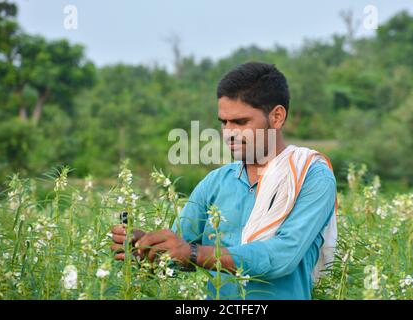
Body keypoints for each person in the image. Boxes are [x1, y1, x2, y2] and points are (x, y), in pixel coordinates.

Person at [111, 62, 337, 299]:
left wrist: (192, 253)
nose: (228, 132)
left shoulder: (311, 176)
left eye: (240, 122)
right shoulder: (216, 183)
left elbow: (282, 256)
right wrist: (146, 249)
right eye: (224, 122)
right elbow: (180, 254)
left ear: (277, 117)